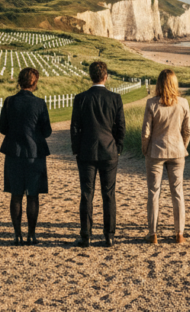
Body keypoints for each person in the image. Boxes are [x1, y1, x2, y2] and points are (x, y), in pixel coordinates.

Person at [70, 61, 125, 247]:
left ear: (90, 76)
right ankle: (109, 236)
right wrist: (118, 147)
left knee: (87, 194)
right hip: (109, 151)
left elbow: (75, 127)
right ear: (106, 76)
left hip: (86, 151)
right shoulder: (115, 98)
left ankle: (86, 236)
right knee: (109, 194)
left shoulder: (81, 98)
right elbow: (120, 127)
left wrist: (76, 149)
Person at [0, 67, 52, 246]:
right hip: (34, 153)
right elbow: (47, 131)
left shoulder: (9, 101)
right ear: (35, 83)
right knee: (33, 195)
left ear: (19, 81)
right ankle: (32, 234)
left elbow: (2, 128)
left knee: (16, 195)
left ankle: (17, 234)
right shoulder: (40, 103)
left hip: (14, 152)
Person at [140, 69, 190, 245]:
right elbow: (188, 131)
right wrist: (182, 146)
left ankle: (153, 233)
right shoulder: (183, 103)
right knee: (177, 192)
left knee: (154, 192)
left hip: (156, 151)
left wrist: (145, 150)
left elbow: (146, 132)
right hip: (177, 151)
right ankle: (179, 233)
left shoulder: (152, 104)